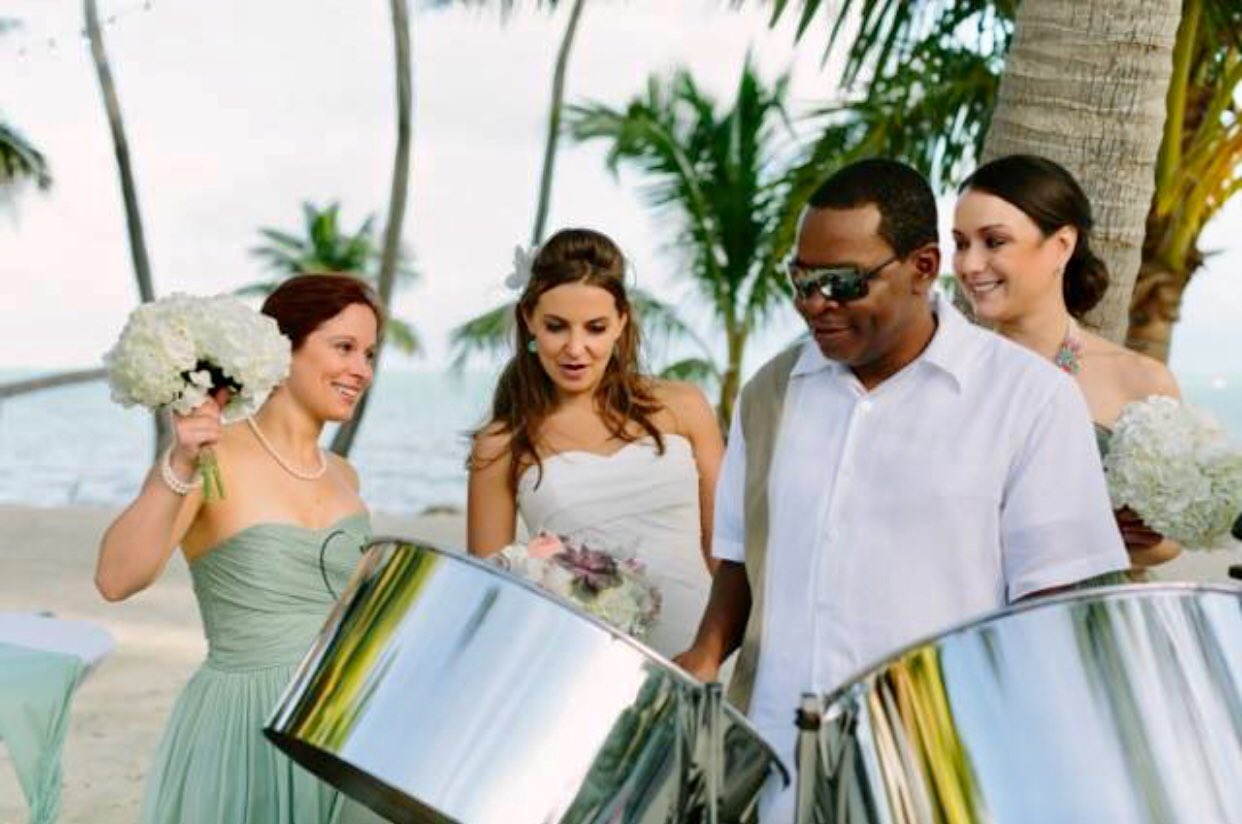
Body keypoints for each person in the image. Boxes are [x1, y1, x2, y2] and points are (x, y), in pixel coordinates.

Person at [673, 159, 1129, 822]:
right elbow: (741, 559)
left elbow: (1055, 614)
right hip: (772, 771)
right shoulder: (770, 393)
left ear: (923, 266)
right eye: (800, 282)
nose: (815, 305)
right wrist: (706, 655)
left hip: (935, 775)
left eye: (842, 283)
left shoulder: (1028, 400)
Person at [96, 274, 384, 823]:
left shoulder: (346, 477)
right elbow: (116, 578)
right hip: (249, 722)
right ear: (286, 349)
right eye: (343, 347)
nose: (361, 370)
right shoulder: (211, 454)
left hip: (344, 722)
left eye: (369, 354)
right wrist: (178, 463)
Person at [467, 227, 724, 659]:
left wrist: (718, 652)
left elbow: (725, 554)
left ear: (622, 322)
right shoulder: (501, 445)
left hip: (699, 659)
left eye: (595, 327)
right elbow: (490, 595)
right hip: (579, 662)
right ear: (529, 319)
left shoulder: (684, 406)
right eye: (556, 327)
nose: (576, 348)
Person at [953, 153, 1182, 573]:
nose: (969, 264)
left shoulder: (1140, 380)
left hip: (1089, 624)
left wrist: (1118, 535)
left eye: (994, 241)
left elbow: (1169, 542)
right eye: (961, 243)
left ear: (1061, 246)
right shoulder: (951, 375)